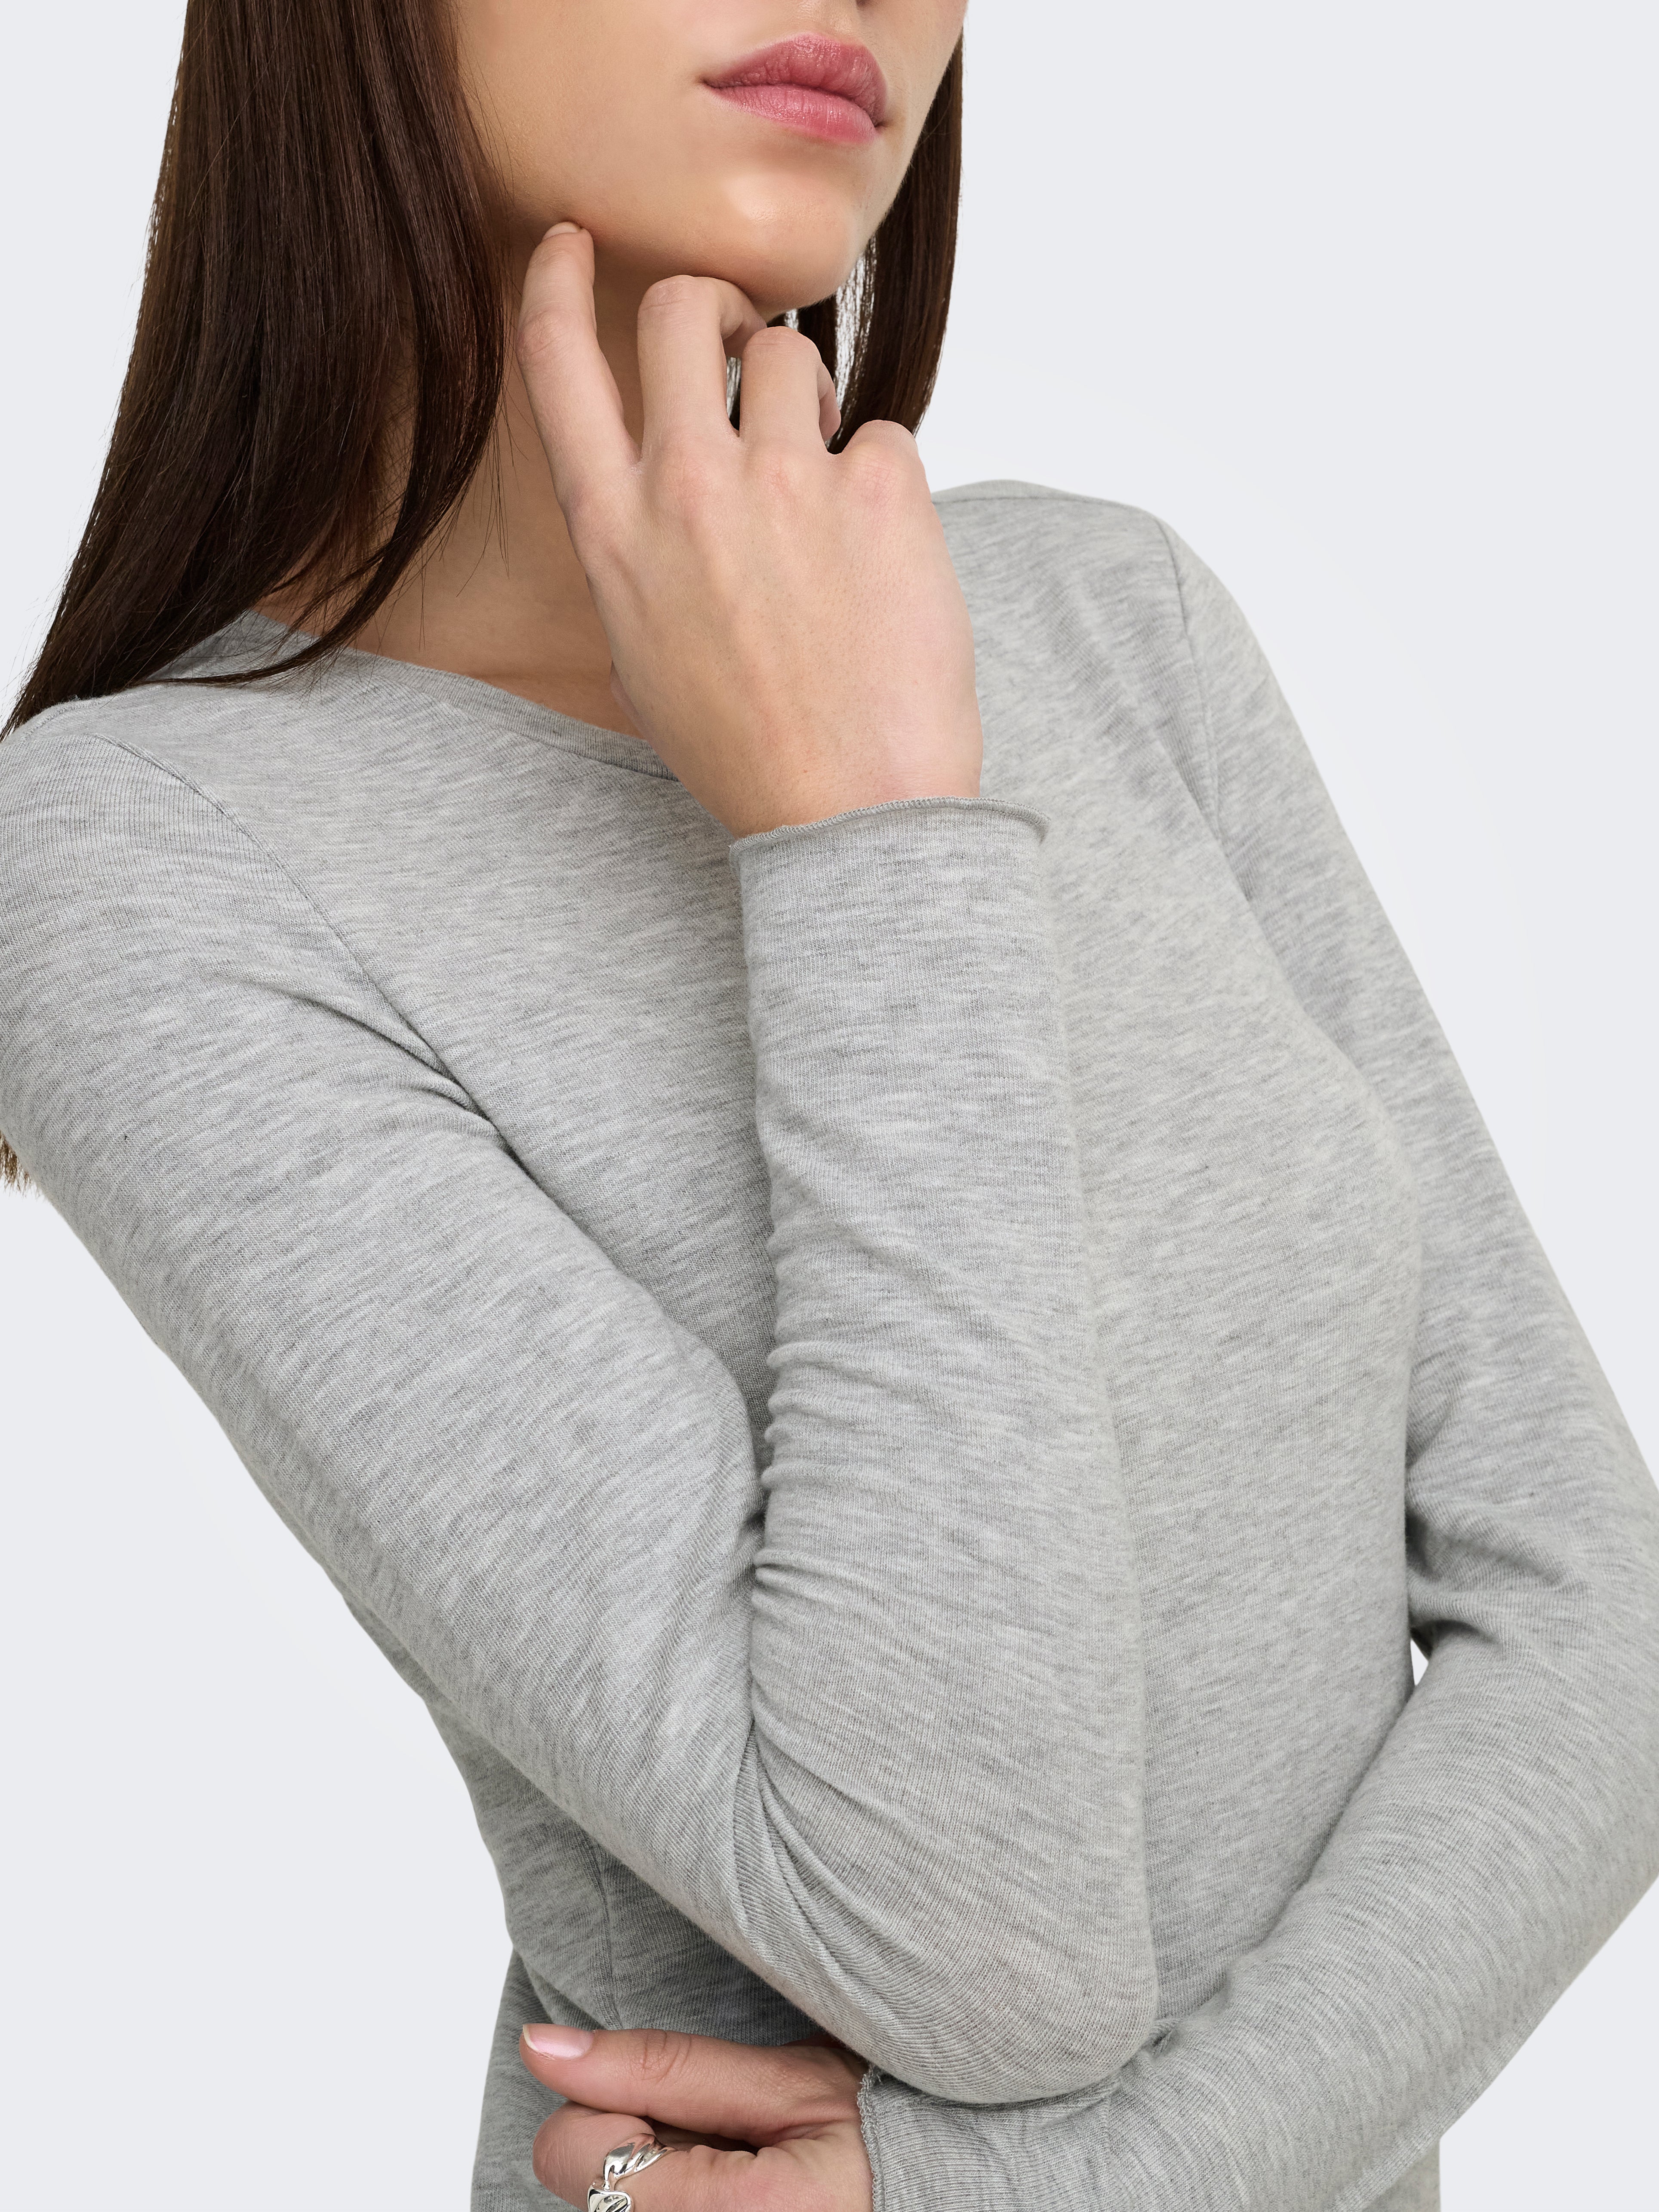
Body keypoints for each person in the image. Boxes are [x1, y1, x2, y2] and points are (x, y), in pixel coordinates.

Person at [2, 6, 1656, 2211]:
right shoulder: (144, 855)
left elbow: (1598, 1615)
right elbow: (984, 1945)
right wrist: (861, 840)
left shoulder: (1108, 615)